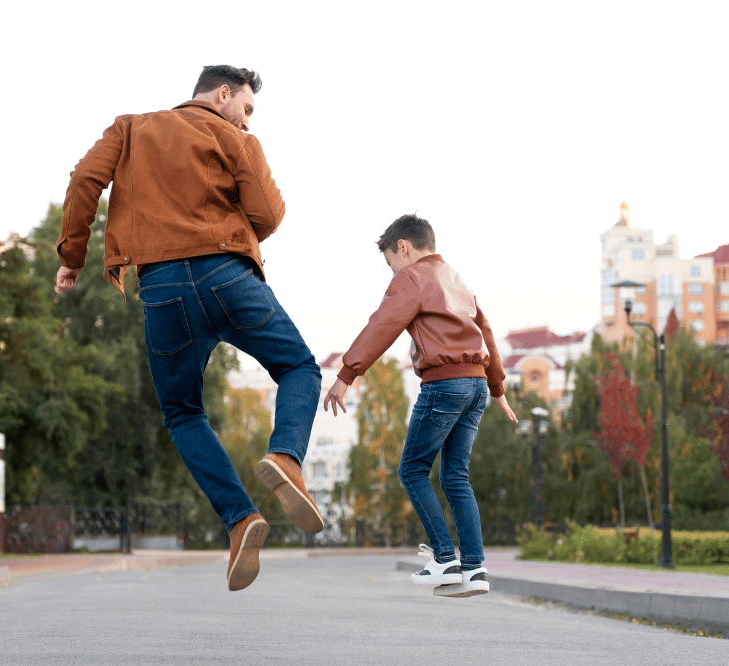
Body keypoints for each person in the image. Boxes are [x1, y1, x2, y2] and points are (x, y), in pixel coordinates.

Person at [54, 65, 323, 592]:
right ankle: (286, 458)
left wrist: (72, 255)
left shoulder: (129, 128)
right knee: (298, 367)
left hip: (162, 289)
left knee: (182, 413)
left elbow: (84, 180)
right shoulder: (234, 139)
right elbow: (269, 214)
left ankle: (240, 520)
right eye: (246, 108)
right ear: (223, 94)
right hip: (228, 277)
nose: (247, 122)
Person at [323, 214, 518, 597]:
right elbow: (485, 330)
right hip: (476, 385)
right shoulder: (456, 278)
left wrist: (347, 373)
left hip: (444, 384)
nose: (392, 272)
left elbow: (384, 323)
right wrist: (496, 387)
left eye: (390, 263)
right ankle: (475, 569)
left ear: (403, 247)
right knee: (456, 477)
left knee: (412, 470)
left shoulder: (411, 277)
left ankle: (445, 558)